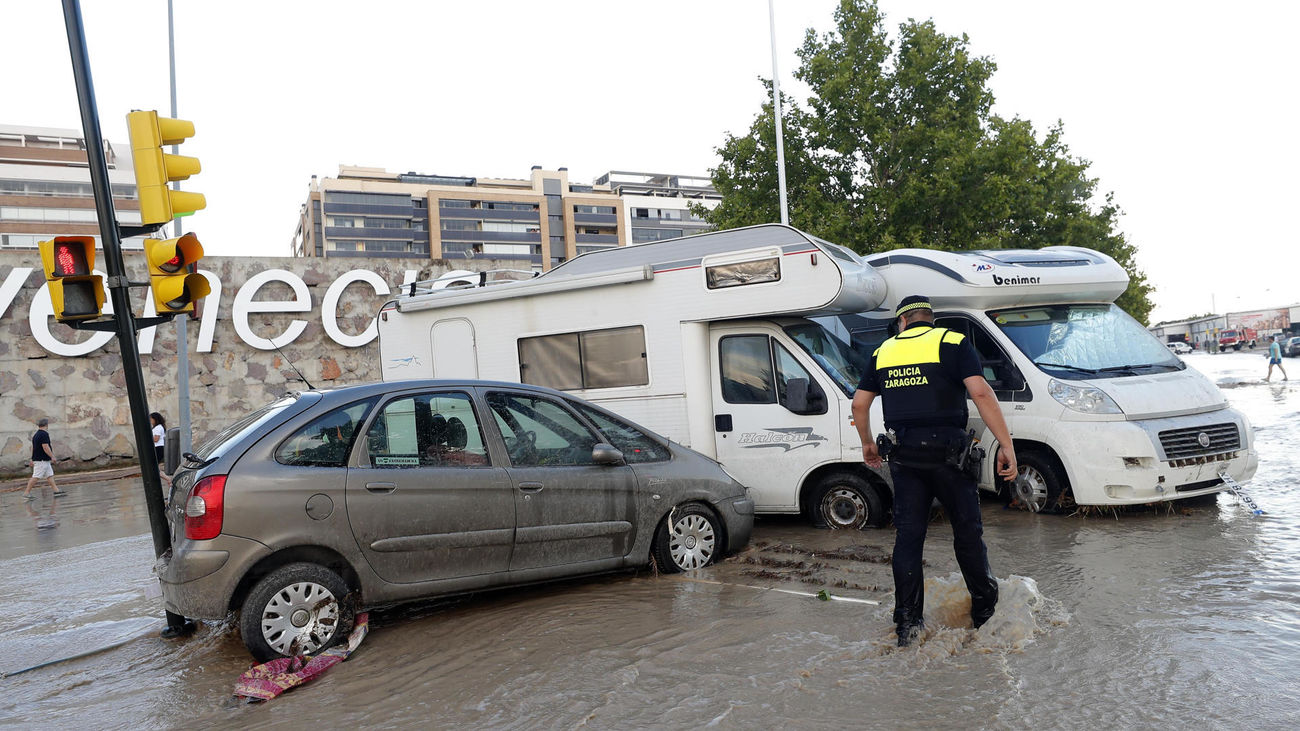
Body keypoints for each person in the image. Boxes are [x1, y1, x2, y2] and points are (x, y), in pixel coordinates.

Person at [851, 295, 1018, 647]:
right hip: (950, 458)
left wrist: (867, 442)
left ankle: (909, 626)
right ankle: (985, 618)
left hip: (905, 458)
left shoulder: (883, 352)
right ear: (929, 318)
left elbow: (859, 403)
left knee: (909, 539)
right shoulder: (952, 341)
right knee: (967, 534)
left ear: (902, 322)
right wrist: (1006, 444)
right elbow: (982, 394)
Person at [23, 417, 64, 499]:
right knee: (35, 477)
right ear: (46, 425)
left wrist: (32, 458)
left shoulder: (36, 435)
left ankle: (56, 491)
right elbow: (45, 447)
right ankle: (26, 493)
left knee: (49, 475)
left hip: (42, 460)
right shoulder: (44, 434)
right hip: (41, 460)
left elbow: (34, 448)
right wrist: (52, 456)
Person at [150, 412, 172, 487]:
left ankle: (168, 479)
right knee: (154, 467)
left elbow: (156, 439)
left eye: (151, 419)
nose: (150, 421)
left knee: (153, 467)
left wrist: (147, 438)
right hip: (158, 448)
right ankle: (167, 479)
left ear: (155, 419)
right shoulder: (157, 427)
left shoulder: (158, 427)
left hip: (158, 448)